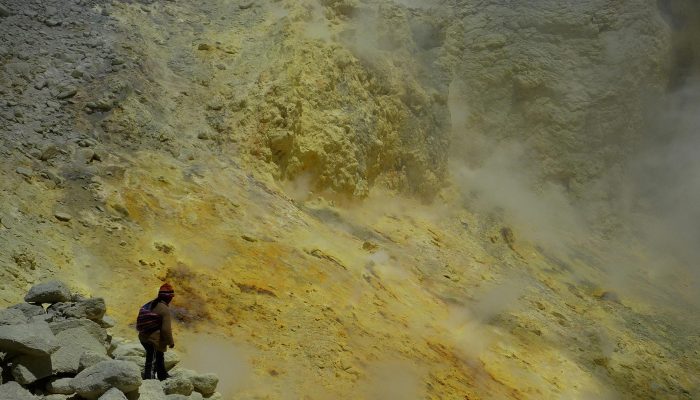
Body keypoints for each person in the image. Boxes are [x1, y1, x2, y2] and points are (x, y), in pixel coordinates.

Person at [137, 283, 176, 380]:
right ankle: (149, 379)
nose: (172, 299)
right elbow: (166, 329)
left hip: (143, 336)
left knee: (159, 355)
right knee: (151, 359)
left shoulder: (151, 303)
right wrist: (170, 342)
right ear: (168, 298)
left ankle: (162, 375)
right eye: (171, 297)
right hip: (152, 340)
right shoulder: (164, 309)